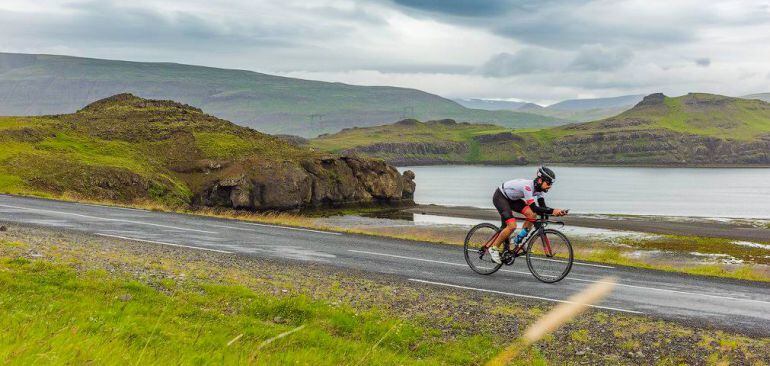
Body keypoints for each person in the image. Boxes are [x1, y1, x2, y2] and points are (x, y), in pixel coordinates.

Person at [485, 166, 567, 264]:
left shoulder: (540, 190)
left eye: (551, 184)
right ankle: (494, 248)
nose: (550, 186)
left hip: (513, 200)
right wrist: (553, 211)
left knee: (532, 215)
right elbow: (534, 207)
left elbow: (542, 208)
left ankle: (518, 239)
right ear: (540, 180)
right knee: (512, 226)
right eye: (548, 183)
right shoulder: (527, 187)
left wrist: (554, 214)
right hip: (501, 197)